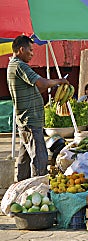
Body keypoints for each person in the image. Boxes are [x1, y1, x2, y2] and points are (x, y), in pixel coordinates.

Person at [7, 35, 69, 181]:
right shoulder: (19, 65)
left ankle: (20, 185)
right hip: (31, 120)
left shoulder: (14, 65)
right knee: (39, 158)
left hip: (25, 120)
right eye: (30, 50)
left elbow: (35, 88)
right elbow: (40, 83)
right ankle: (38, 187)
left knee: (25, 158)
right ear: (21, 49)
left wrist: (54, 86)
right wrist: (59, 80)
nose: (32, 53)